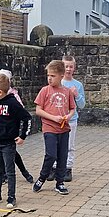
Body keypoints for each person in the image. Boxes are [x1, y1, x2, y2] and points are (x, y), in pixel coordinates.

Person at [0, 73, 31, 208]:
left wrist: (22, 136)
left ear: (0, 92)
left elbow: (27, 118)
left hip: (8, 143)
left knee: (10, 171)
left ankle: (11, 197)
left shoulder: (12, 103)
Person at [33, 60, 75, 195]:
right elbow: (38, 110)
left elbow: (72, 109)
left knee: (62, 156)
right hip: (49, 127)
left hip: (64, 129)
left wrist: (68, 116)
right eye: (48, 75)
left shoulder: (67, 92)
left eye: (53, 76)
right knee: (51, 155)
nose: (50, 78)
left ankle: (60, 182)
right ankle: (42, 177)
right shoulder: (45, 91)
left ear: (61, 76)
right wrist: (53, 118)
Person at [59, 55, 85, 182]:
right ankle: (55, 167)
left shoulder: (78, 85)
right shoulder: (58, 82)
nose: (68, 69)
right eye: (66, 66)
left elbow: (82, 105)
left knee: (70, 145)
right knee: (56, 144)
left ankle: (68, 168)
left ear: (74, 68)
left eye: (70, 66)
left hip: (72, 120)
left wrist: (77, 95)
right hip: (57, 119)